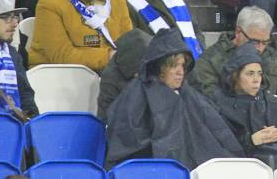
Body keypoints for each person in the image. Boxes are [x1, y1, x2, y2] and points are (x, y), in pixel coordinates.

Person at [104, 28, 244, 169]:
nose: (180, 72)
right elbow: (127, 144)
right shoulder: (138, 94)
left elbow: (218, 131)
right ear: (159, 67)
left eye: (182, 66)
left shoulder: (190, 95)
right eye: (174, 66)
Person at [193, 6, 277, 115]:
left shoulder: (274, 58)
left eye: (265, 42)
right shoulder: (210, 60)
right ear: (238, 32)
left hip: (272, 125)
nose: (260, 48)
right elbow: (208, 101)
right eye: (255, 42)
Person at [209, 40, 277, 168]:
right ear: (235, 76)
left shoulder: (269, 100)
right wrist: (252, 140)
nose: (256, 80)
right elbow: (218, 142)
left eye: (259, 74)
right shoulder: (219, 102)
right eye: (250, 74)